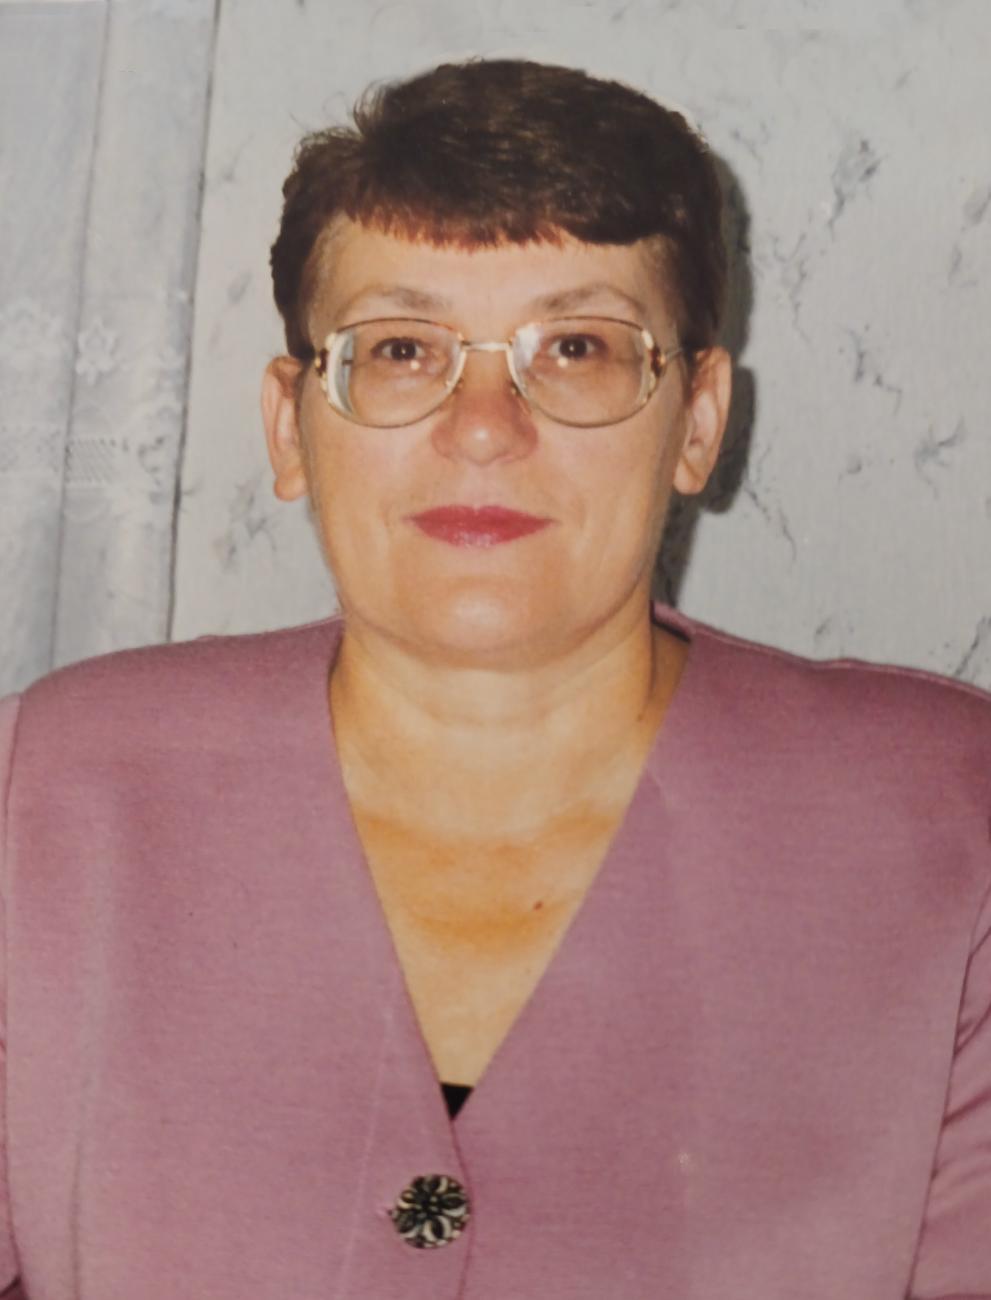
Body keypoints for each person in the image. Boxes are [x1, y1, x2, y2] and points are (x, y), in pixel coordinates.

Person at [0, 57, 989, 1300]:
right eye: (401, 348)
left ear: (696, 421)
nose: (482, 425)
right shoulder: (46, 794)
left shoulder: (949, 821)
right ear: (289, 425)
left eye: (575, 346)